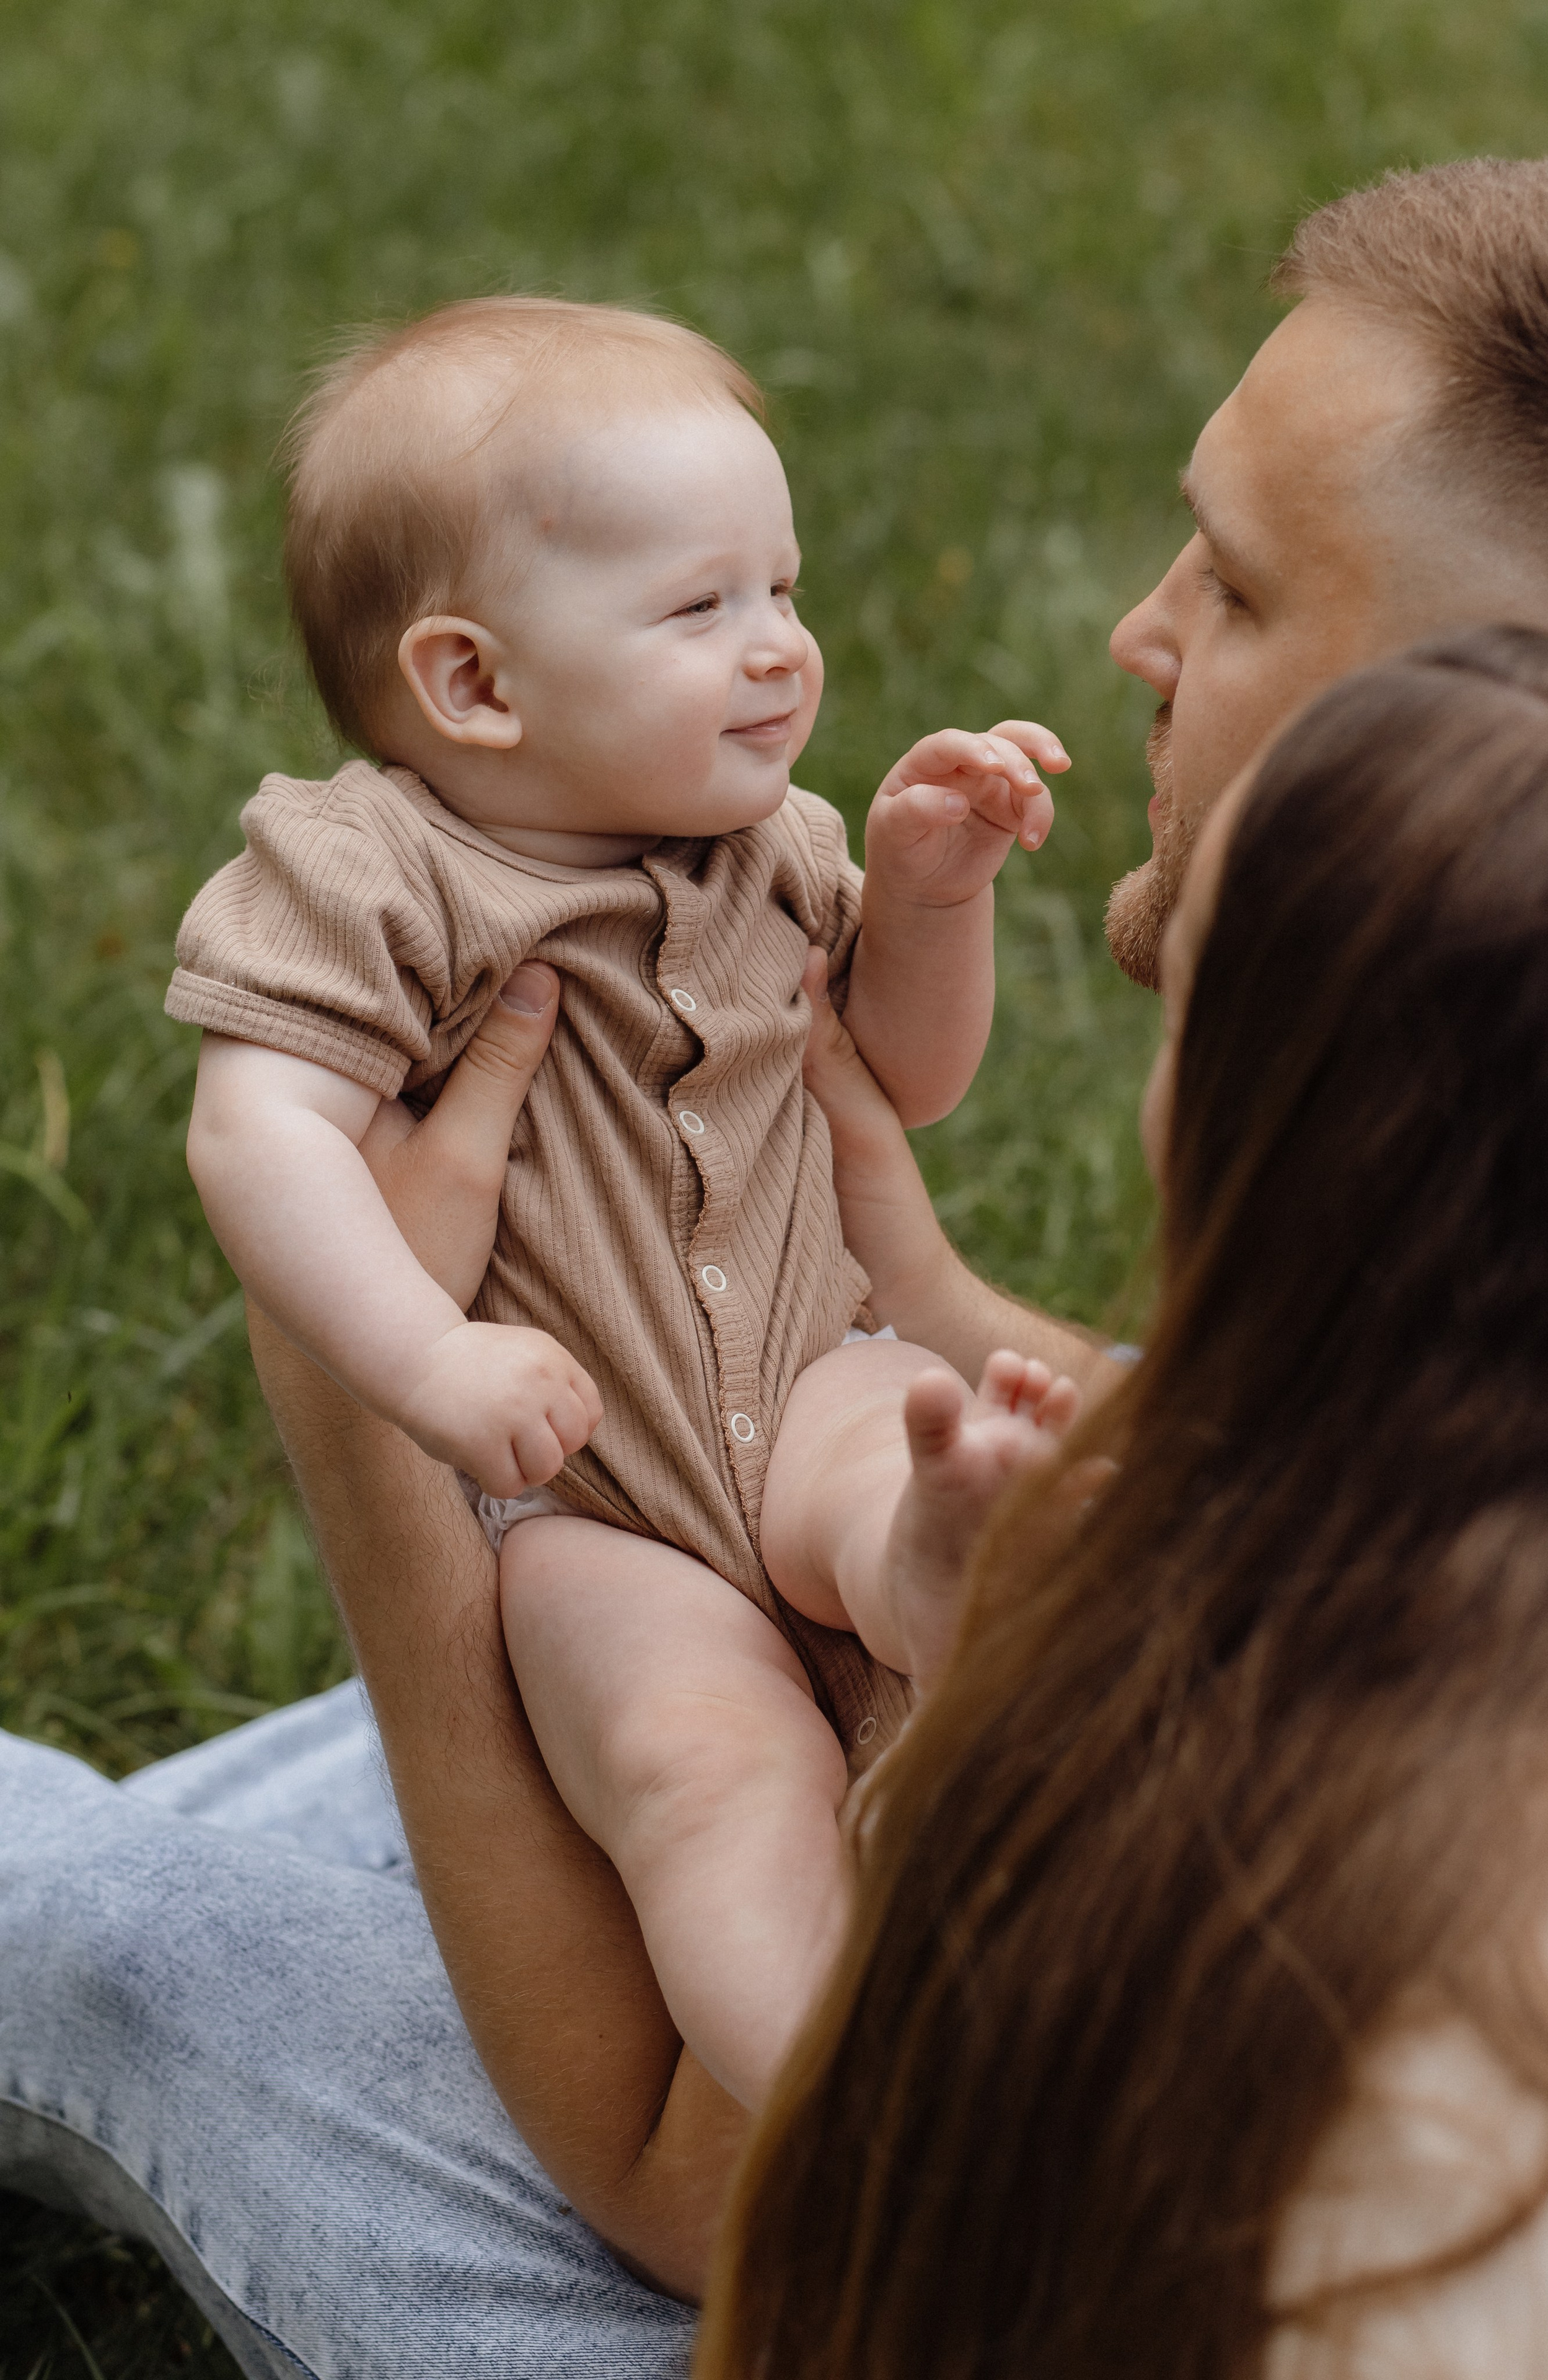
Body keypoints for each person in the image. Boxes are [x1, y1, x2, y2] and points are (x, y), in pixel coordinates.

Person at [6, 154, 1548, 2372]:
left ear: (1500, 714)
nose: (1138, 629)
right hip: (765, 1539)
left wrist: (379, 1409)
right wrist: (930, 1308)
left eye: (1231, 585)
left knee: (129, 1944)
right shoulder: (1478, 1305)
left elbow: (710, 2190)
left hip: (843, 2233)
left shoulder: (1386, 1737)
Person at [171, 291, 1075, 2109]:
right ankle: (839, 2102)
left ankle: (938, 1569)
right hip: (583, 1504)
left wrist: (929, 902)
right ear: (474, 685)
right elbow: (258, 1132)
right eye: (702, 608)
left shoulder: (779, 849)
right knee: (698, 1769)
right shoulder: (372, 873)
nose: (781, 653)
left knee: (884, 1461)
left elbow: (899, 1077)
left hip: (814, 1374)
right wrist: (428, 1362)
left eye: (785, 589)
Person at [699, 622, 1548, 2380]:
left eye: (1188, 1001)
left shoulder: (1135, 1773)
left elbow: (821, 2228)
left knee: (165, 1950)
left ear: (1263, 1126)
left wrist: (371, 1400)